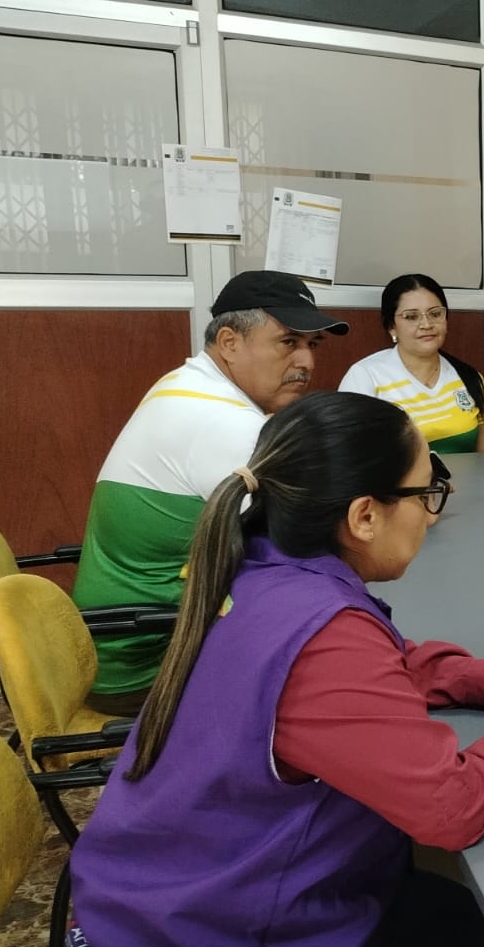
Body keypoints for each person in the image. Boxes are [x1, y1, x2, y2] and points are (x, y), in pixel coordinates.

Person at [69, 392, 484, 947]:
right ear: (364, 516)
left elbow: (376, 668)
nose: (431, 514)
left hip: (160, 909)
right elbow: (452, 807)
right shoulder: (323, 631)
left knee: (450, 918)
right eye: (426, 493)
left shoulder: (259, 566)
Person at [72, 270, 349, 715]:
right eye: (288, 342)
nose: (307, 362)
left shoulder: (186, 383)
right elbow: (305, 546)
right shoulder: (224, 421)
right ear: (229, 342)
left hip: (125, 641)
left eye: (312, 345)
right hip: (147, 663)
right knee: (336, 663)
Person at [339, 273, 484, 455]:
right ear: (391, 326)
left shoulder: (469, 377)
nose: (426, 324)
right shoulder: (365, 376)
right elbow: (349, 456)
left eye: (435, 314)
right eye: (411, 317)